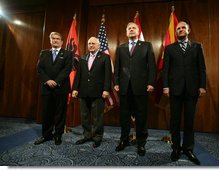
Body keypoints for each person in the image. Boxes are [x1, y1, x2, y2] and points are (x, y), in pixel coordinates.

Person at [162, 21, 207, 165]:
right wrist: (166, 86)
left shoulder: (197, 47)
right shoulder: (169, 48)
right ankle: (175, 148)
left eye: (183, 28)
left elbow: (202, 68)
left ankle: (188, 149)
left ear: (188, 30)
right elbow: (166, 70)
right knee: (174, 121)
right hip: (174, 89)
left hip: (192, 90)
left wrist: (202, 86)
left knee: (189, 121)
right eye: (178, 28)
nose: (180, 30)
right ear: (175, 32)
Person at [114, 22, 156, 156]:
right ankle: (124, 140)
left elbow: (152, 67)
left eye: (133, 28)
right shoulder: (121, 48)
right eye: (129, 29)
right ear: (126, 32)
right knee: (124, 116)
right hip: (124, 87)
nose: (131, 30)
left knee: (141, 116)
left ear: (138, 31)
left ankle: (141, 143)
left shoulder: (146, 46)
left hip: (141, 87)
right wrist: (116, 82)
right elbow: (117, 68)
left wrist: (151, 83)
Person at [72, 37, 112, 148]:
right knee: (84, 115)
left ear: (98, 45)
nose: (90, 45)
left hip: (98, 92)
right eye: (89, 43)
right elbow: (78, 75)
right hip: (83, 91)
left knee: (97, 117)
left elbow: (107, 75)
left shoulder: (105, 57)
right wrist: (75, 88)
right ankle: (87, 135)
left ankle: (97, 137)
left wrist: (106, 89)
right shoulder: (83, 57)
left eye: (93, 43)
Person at [35, 32, 73, 145]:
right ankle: (46, 135)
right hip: (47, 88)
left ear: (61, 41)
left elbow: (67, 70)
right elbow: (40, 69)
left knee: (60, 113)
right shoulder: (44, 53)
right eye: (53, 39)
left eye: (58, 39)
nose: (55, 40)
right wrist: (47, 80)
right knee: (47, 113)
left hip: (61, 88)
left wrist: (56, 82)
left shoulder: (68, 54)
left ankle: (58, 135)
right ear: (50, 41)